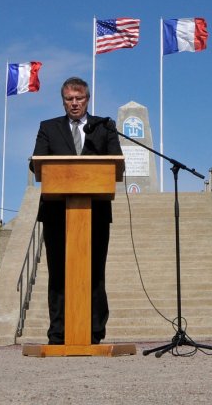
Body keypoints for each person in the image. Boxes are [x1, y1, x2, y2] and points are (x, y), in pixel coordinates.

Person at [30, 76, 123, 345]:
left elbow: (116, 163)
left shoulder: (104, 127)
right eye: (69, 99)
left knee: (95, 272)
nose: (74, 103)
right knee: (58, 273)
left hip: (96, 212)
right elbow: (36, 163)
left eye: (79, 98)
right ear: (63, 101)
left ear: (87, 99)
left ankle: (95, 331)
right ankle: (58, 333)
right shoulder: (48, 128)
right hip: (56, 212)